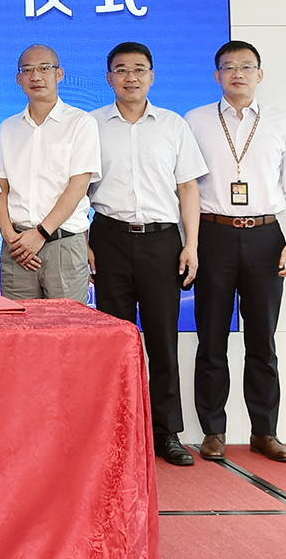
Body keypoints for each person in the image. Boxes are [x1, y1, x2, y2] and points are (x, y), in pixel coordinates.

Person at [185, 40, 286, 463]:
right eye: (228, 67)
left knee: (262, 341)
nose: (237, 73)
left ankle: (265, 432)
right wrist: (189, 243)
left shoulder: (281, 123)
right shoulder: (195, 121)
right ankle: (213, 431)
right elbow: (183, 187)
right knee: (211, 339)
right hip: (213, 235)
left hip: (265, 237)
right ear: (216, 75)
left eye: (245, 66)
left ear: (260, 74)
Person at [87, 42, 207, 467]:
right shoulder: (91, 125)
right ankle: (116, 433)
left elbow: (188, 188)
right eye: (121, 70)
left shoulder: (173, 125)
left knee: (162, 340)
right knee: (115, 344)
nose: (131, 77)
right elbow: (77, 186)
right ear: (109, 78)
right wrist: (85, 242)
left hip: (161, 241)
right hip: (109, 238)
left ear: (152, 76)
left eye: (139, 69)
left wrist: (191, 244)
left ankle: (166, 433)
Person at [0, 44, 100, 304]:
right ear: (19, 79)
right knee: (19, 326)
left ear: (59, 74)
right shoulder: (8, 128)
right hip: (17, 247)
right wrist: (10, 237)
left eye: (44, 68)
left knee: (68, 326)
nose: (35, 76)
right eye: (27, 70)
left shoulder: (81, 123)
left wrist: (40, 234)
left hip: (63, 245)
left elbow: (79, 186)